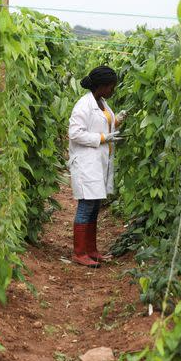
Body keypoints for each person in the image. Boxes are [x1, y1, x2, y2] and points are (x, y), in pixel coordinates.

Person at [67, 65, 126, 267]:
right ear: (101, 86)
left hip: (98, 163)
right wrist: (102, 137)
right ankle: (79, 252)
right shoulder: (83, 105)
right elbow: (75, 133)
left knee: (94, 207)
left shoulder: (101, 103)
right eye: (111, 86)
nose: (113, 90)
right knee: (86, 206)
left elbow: (101, 124)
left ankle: (91, 250)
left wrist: (116, 122)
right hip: (86, 163)